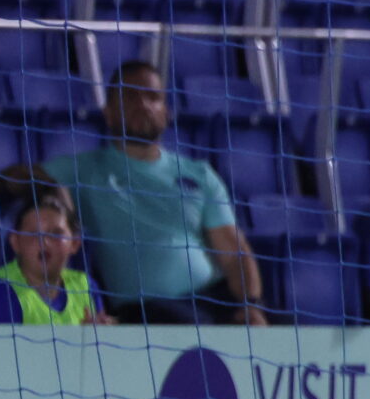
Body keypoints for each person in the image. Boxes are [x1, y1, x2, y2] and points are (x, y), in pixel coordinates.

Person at [43, 61, 266, 325]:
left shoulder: (199, 173)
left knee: (291, 332)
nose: (143, 105)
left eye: (153, 97)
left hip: (214, 300)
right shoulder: (81, 170)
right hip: (147, 311)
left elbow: (233, 251)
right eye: (131, 97)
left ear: (166, 112)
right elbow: (19, 179)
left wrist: (251, 306)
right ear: (109, 113)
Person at [0, 182, 110, 324]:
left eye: (56, 234)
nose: (44, 241)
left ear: (75, 243)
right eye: (34, 234)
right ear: (15, 242)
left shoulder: (85, 286)